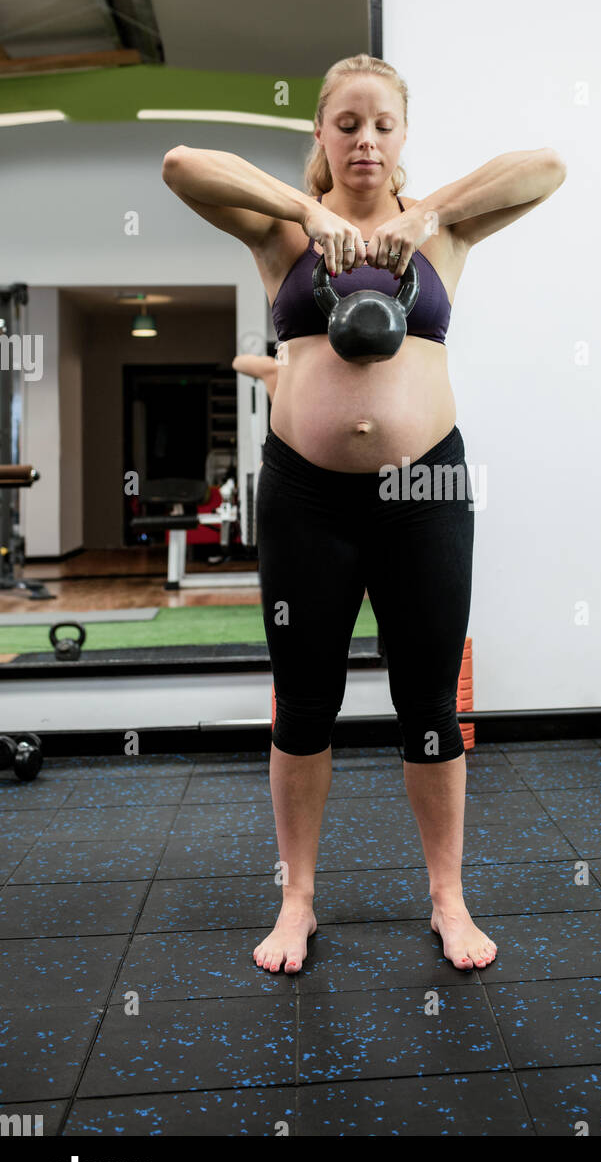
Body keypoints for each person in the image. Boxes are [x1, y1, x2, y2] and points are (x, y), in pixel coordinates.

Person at [162, 53, 566, 974]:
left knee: (428, 701)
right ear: (321, 133)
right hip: (307, 494)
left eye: (383, 124)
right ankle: (296, 900)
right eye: (346, 124)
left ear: (404, 136)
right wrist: (306, 213)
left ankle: (448, 899)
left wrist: (429, 212)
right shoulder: (283, 237)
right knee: (306, 701)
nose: (365, 141)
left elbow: (547, 166)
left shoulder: (443, 236)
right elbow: (181, 165)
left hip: (424, 491)